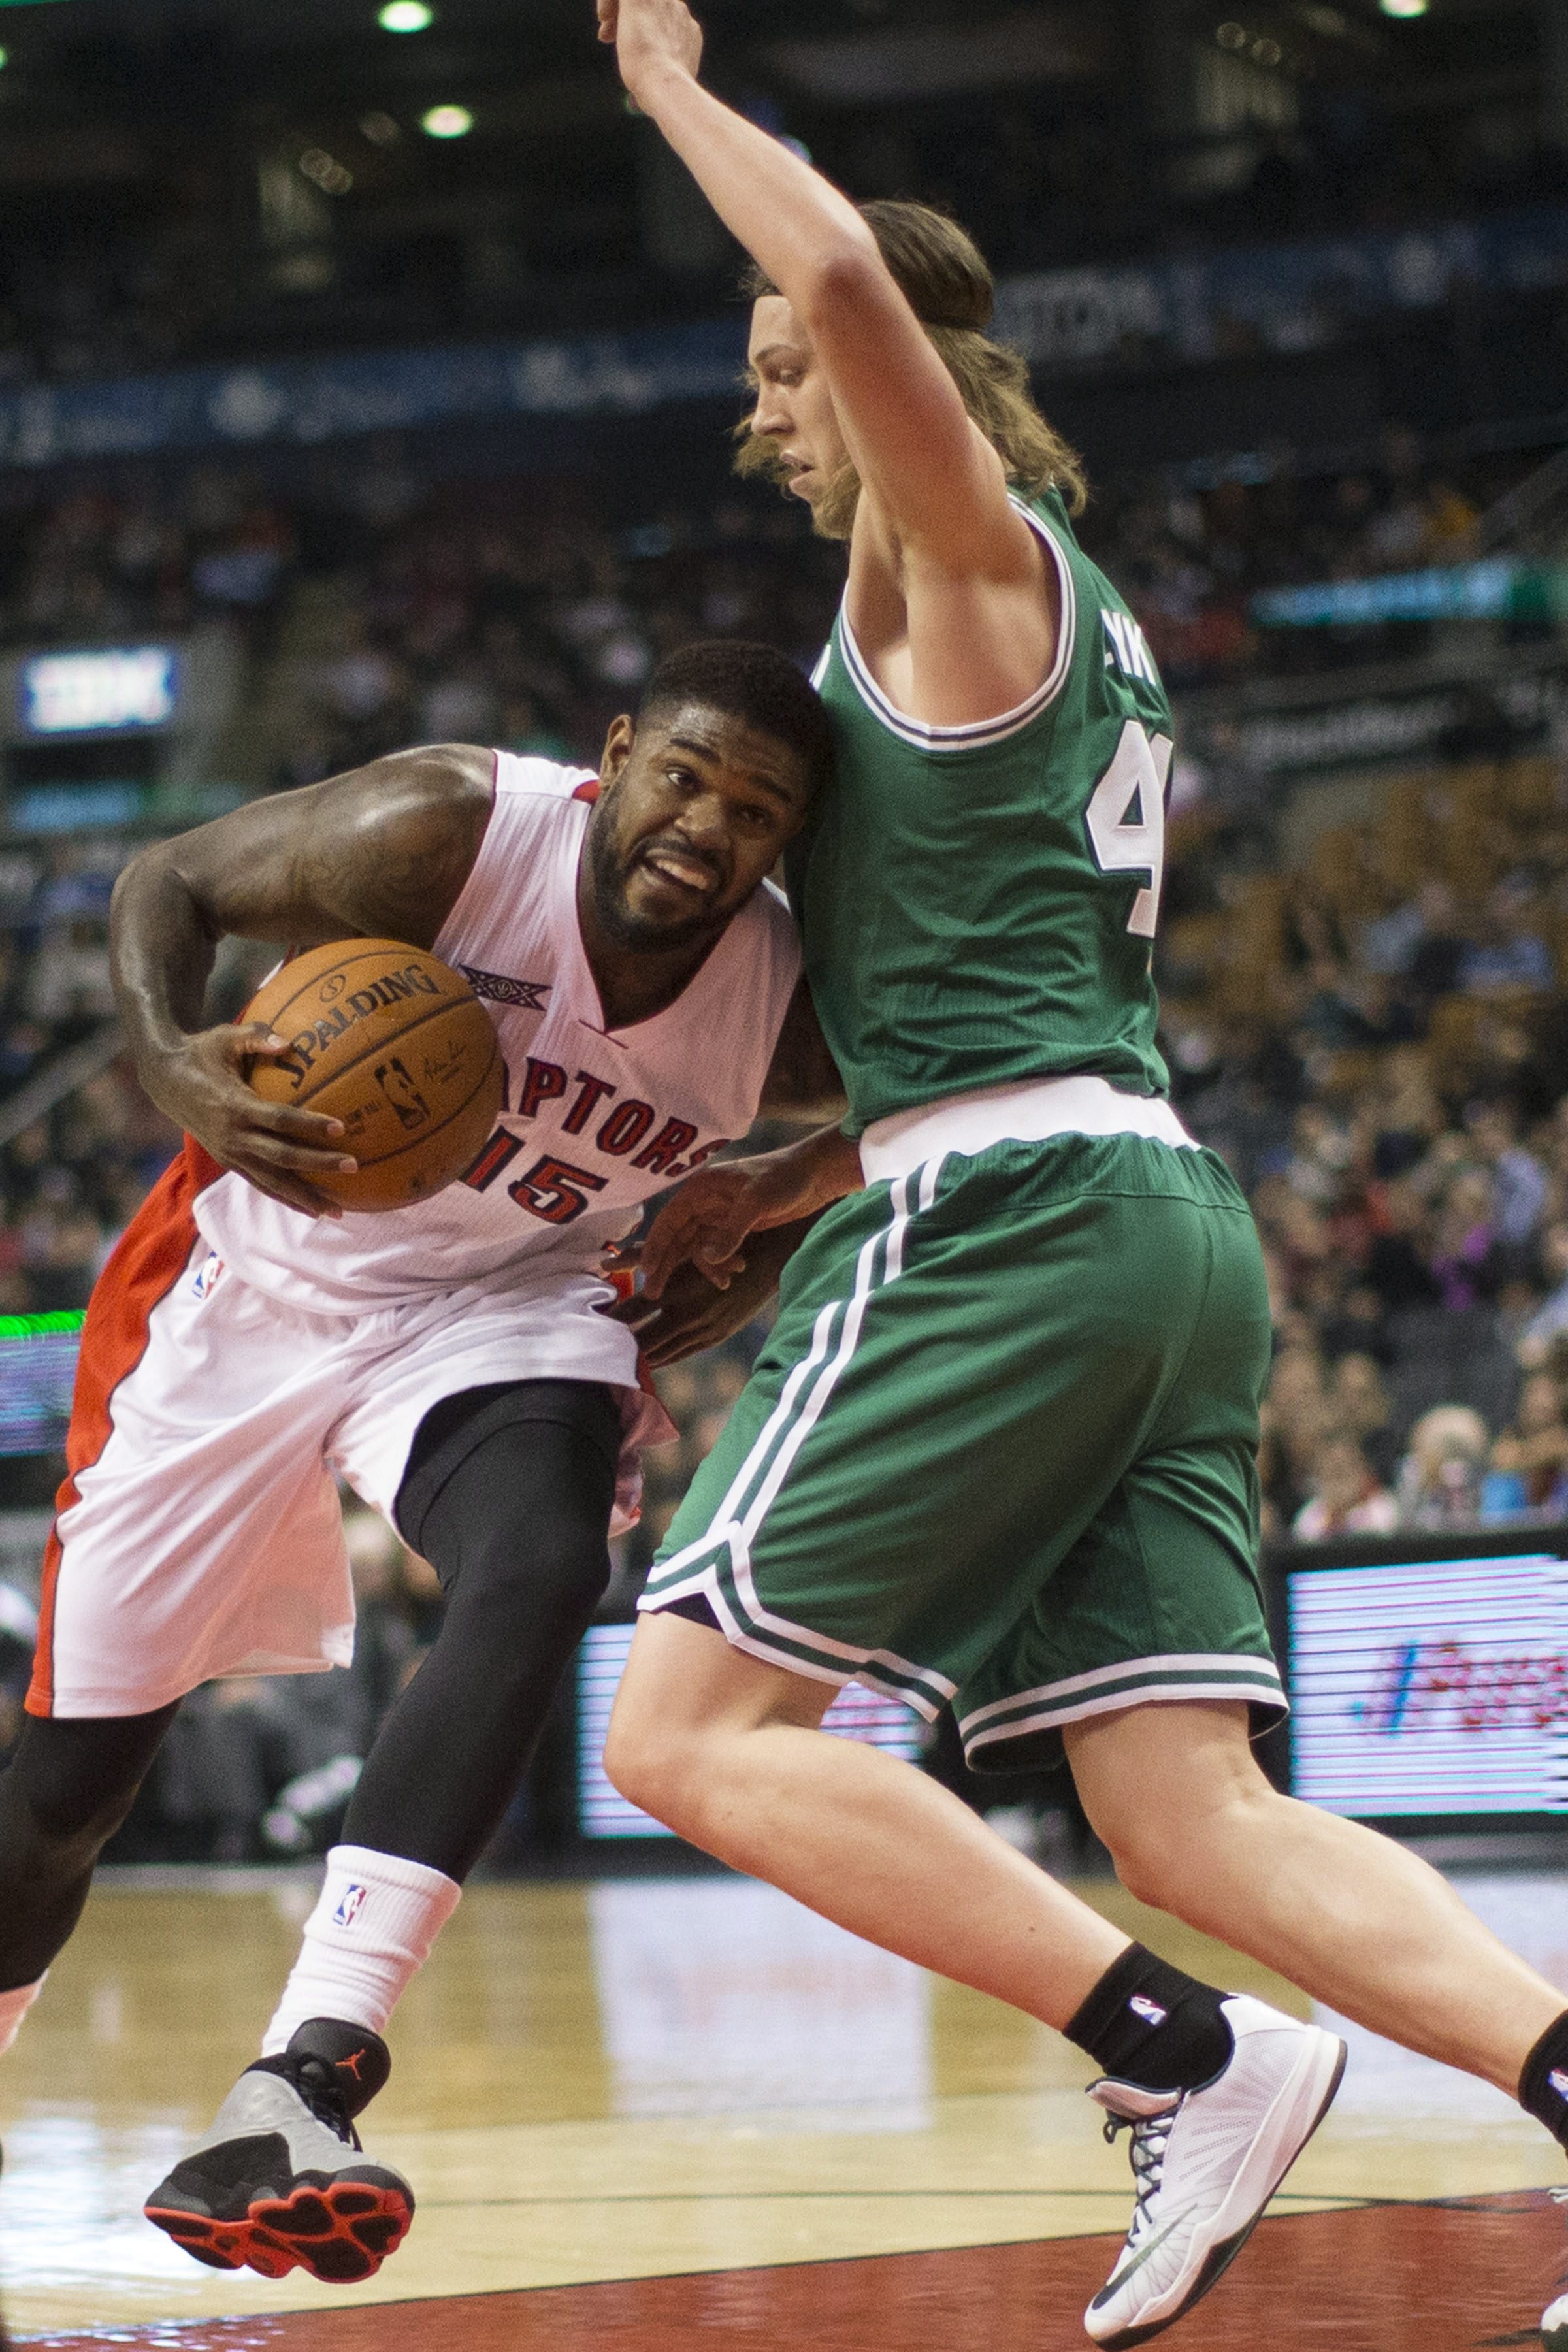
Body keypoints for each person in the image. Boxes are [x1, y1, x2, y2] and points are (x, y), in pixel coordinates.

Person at [589, 8, 1568, 2346]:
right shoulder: (1048, 625)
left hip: (1026, 1218)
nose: (768, 403)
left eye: (785, 368)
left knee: (682, 1736)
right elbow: (999, 983)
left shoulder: (961, 562)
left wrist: (668, 92)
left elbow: (842, 283)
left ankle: (1191, 2059)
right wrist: (794, 1175)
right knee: (1187, 1816)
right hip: (1130, 1208)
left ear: (908, 366)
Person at [0, 638, 840, 2284]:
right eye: (682, 776)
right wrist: (177, 1061)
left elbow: (941, 1106)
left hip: (505, 1308)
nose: (704, 826)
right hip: (245, 1288)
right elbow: (171, 879)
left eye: (755, 810)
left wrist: (770, 1208)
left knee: (540, 1562)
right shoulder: (445, 830)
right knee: (65, 1800)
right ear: (615, 754)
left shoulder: (790, 1009)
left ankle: (301, 2079)